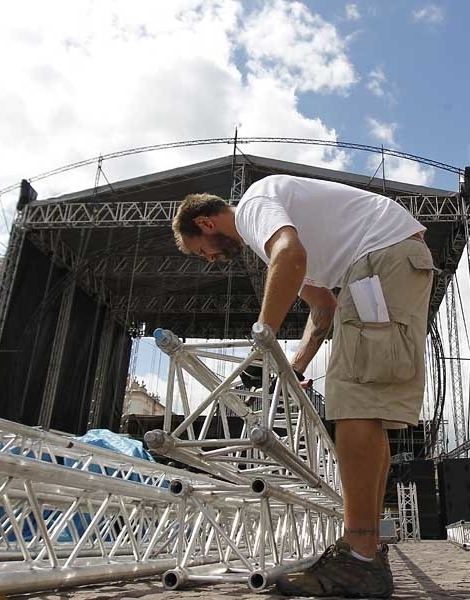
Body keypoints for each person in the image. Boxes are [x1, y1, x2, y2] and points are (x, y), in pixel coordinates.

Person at [171, 174, 435, 598]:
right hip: (384, 262)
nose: (212, 261)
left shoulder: (255, 205)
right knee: (365, 409)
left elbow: (289, 257)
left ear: (205, 223)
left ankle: (359, 555)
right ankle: (364, 551)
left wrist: (263, 342)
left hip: (379, 261)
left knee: (353, 406)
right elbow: (323, 306)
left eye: (204, 252)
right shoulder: (276, 220)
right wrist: (294, 364)